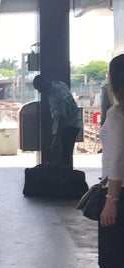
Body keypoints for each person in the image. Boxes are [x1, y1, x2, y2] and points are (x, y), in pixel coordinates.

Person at [99, 54, 124, 268]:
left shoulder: (117, 113)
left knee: (112, 258)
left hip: (119, 194)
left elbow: (118, 159)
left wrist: (110, 201)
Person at [32, 75, 83, 170]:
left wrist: (57, 138)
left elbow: (62, 117)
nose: (39, 91)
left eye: (39, 88)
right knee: (67, 155)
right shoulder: (60, 84)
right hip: (74, 124)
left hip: (67, 127)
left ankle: (65, 178)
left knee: (64, 156)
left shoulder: (55, 94)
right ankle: (66, 176)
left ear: (43, 84)